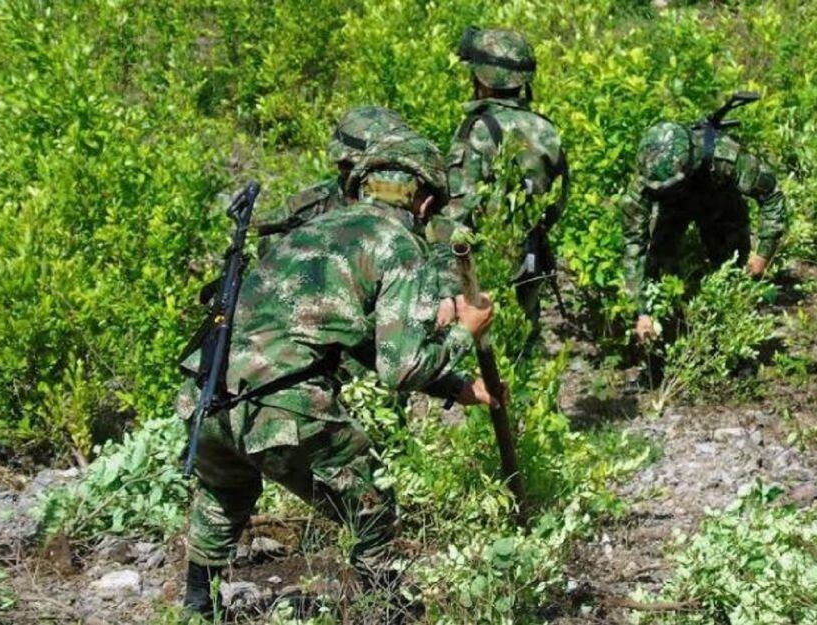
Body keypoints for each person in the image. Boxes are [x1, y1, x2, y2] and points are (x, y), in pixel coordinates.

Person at [179, 133, 495, 617]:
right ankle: (385, 610)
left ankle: (197, 609)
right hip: (281, 404)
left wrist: (455, 387)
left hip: (207, 395)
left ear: (362, 186)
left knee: (225, 493)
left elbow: (367, 342)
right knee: (368, 503)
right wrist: (464, 334)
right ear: (426, 201)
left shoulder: (313, 230)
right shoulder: (400, 245)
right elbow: (401, 365)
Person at [446, 26, 569, 336]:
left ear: (482, 78)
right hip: (533, 256)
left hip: (487, 266)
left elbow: (459, 213)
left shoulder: (476, 130)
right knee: (523, 343)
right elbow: (557, 201)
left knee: (484, 354)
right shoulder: (547, 130)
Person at [622, 113, 786, 343]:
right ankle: (668, 336)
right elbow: (634, 246)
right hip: (673, 210)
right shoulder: (647, 181)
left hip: (719, 204)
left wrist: (763, 254)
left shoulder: (725, 157)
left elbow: (771, 195)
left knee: (735, 274)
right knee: (657, 268)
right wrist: (640, 310)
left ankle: (736, 344)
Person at [256, 106, 409, 238]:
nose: (341, 168)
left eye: (350, 164)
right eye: (342, 163)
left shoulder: (420, 203)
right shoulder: (318, 202)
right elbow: (264, 231)